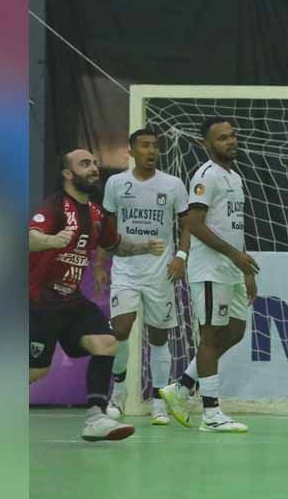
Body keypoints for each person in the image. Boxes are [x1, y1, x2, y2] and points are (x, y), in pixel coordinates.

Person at [29, 148, 162, 442]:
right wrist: (51, 239)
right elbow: (30, 237)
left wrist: (144, 247)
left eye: (94, 163)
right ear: (67, 174)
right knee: (35, 371)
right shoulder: (54, 207)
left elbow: (115, 243)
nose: (93, 168)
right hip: (39, 303)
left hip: (71, 301)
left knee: (106, 342)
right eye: (85, 164)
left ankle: (96, 417)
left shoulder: (96, 212)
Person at [158, 117, 260, 433]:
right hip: (210, 269)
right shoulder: (205, 176)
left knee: (235, 332)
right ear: (207, 144)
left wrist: (244, 269)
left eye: (232, 136)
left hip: (231, 268)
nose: (230, 141)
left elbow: (234, 229)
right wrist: (234, 256)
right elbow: (194, 224)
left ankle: (181, 387)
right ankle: (211, 414)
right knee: (211, 337)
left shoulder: (235, 177)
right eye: (221, 138)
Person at [97, 128, 190, 425]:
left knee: (159, 338)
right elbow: (107, 228)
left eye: (155, 146)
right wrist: (101, 263)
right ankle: (119, 392)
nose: (151, 151)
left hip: (160, 272)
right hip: (125, 269)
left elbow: (187, 225)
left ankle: (160, 402)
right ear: (131, 151)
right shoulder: (116, 183)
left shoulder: (173, 185)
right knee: (121, 329)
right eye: (145, 146)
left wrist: (181, 256)